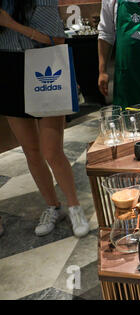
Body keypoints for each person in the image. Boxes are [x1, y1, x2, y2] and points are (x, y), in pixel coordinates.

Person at [0, 0, 89, 238]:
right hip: (7, 71)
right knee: (30, 150)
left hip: (43, 66)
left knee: (52, 150)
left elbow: (57, 40)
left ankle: (74, 206)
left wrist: (11, 24)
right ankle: (53, 206)